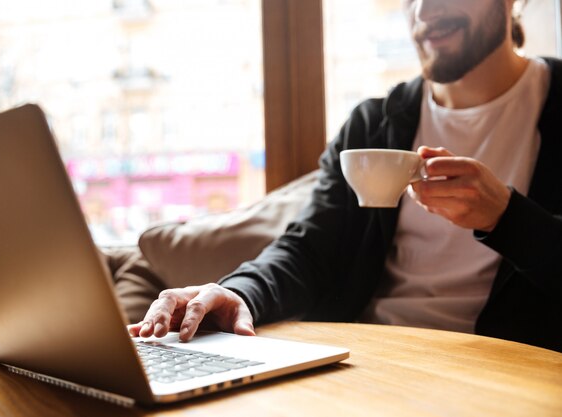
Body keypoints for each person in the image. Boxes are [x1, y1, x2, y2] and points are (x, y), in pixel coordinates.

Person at [128, 0, 562, 352]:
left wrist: (507, 218)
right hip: (364, 359)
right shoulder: (374, 123)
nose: (424, 12)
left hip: (501, 367)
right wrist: (239, 293)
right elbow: (308, 249)